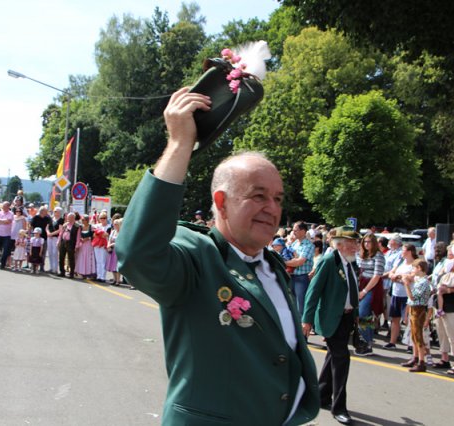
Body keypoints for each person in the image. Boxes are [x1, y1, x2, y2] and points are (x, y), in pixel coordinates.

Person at [116, 88, 319, 425]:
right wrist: (180, 143)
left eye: (278, 198)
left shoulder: (272, 266)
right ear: (222, 203)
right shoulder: (199, 257)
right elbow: (138, 254)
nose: (272, 208)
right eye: (258, 196)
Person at [302, 226, 360, 425]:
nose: (356, 247)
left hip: (346, 317)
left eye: (356, 243)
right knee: (341, 359)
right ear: (340, 245)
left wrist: (355, 314)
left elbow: (351, 288)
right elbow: (314, 291)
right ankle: (339, 407)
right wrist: (307, 319)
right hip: (332, 318)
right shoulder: (329, 261)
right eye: (352, 243)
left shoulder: (351, 262)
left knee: (333, 356)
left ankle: (321, 395)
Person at [355, 233, 385, 356]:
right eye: (365, 242)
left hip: (371, 287)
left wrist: (364, 291)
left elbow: (377, 276)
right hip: (359, 284)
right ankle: (366, 342)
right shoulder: (360, 254)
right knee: (365, 316)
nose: (367, 244)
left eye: (369, 242)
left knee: (363, 313)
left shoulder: (378, 255)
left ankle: (366, 342)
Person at [384, 243, 417, 349]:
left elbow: (411, 277)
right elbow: (391, 273)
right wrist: (398, 277)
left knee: (408, 320)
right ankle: (392, 342)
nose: (401, 252)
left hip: (407, 294)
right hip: (396, 293)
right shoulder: (400, 261)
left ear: (409, 252)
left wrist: (398, 277)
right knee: (395, 319)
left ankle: (411, 344)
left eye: (403, 250)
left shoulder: (415, 264)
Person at [401, 259, 432, 372]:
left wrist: (406, 285)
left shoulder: (424, 282)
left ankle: (421, 362)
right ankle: (415, 357)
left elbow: (413, 297)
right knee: (414, 335)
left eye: (414, 268)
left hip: (419, 309)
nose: (412, 270)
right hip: (414, 308)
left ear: (419, 268)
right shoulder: (419, 280)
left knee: (418, 335)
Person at [286, 221, 315, 314]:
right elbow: (290, 258)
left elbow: (299, 262)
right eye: (293, 230)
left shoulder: (309, 245)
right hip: (291, 277)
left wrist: (283, 262)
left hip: (302, 278)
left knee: (301, 305)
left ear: (303, 231)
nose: (293, 232)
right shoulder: (294, 244)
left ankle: (302, 322)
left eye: (296, 230)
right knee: (292, 304)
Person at [57, 212, 80, 278]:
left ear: (73, 218)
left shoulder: (77, 226)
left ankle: (71, 273)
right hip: (63, 242)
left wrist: (77, 245)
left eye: (70, 218)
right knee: (61, 257)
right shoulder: (65, 225)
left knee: (71, 259)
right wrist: (58, 241)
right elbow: (61, 234)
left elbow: (78, 237)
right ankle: (62, 271)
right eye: (68, 217)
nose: (68, 219)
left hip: (71, 243)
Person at [30, 206, 51, 272]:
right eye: (45, 211)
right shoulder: (35, 218)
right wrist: (31, 235)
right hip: (35, 238)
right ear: (42, 211)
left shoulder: (47, 218)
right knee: (34, 252)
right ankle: (33, 266)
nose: (47, 212)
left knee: (43, 253)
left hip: (44, 238)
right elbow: (31, 226)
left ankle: (42, 267)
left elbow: (49, 226)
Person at [75, 215, 95, 279]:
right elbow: (78, 235)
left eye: (83, 220)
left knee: (88, 257)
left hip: (89, 244)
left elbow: (93, 236)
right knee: (82, 257)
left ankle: (88, 273)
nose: (82, 221)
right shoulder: (81, 227)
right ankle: (81, 272)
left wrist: (88, 238)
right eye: (82, 220)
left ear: (87, 220)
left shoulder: (91, 227)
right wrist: (81, 239)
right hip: (82, 244)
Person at [92, 212, 110, 283]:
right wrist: (100, 233)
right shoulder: (97, 225)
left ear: (106, 218)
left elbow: (106, 235)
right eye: (101, 218)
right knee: (98, 261)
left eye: (104, 218)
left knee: (103, 261)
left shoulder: (109, 226)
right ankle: (98, 276)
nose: (102, 219)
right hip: (97, 244)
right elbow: (94, 235)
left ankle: (103, 277)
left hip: (104, 245)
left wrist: (99, 233)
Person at [46, 207, 64, 273]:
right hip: (49, 237)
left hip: (56, 238)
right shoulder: (50, 219)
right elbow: (47, 227)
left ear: (59, 212)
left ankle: (55, 269)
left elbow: (60, 230)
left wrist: (52, 234)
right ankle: (51, 267)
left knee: (55, 253)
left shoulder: (61, 220)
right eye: (54, 211)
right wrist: (48, 233)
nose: (54, 212)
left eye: (56, 211)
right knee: (50, 252)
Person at [106, 218, 122, 286]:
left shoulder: (121, 232)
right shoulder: (113, 231)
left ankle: (118, 280)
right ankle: (114, 279)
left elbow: (120, 241)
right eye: (114, 224)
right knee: (112, 265)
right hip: (112, 250)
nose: (115, 225)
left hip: (118, 250)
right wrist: (108, 245)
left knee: (117, 266)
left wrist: (112, 244)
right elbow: (109, 239)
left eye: (116, 224)